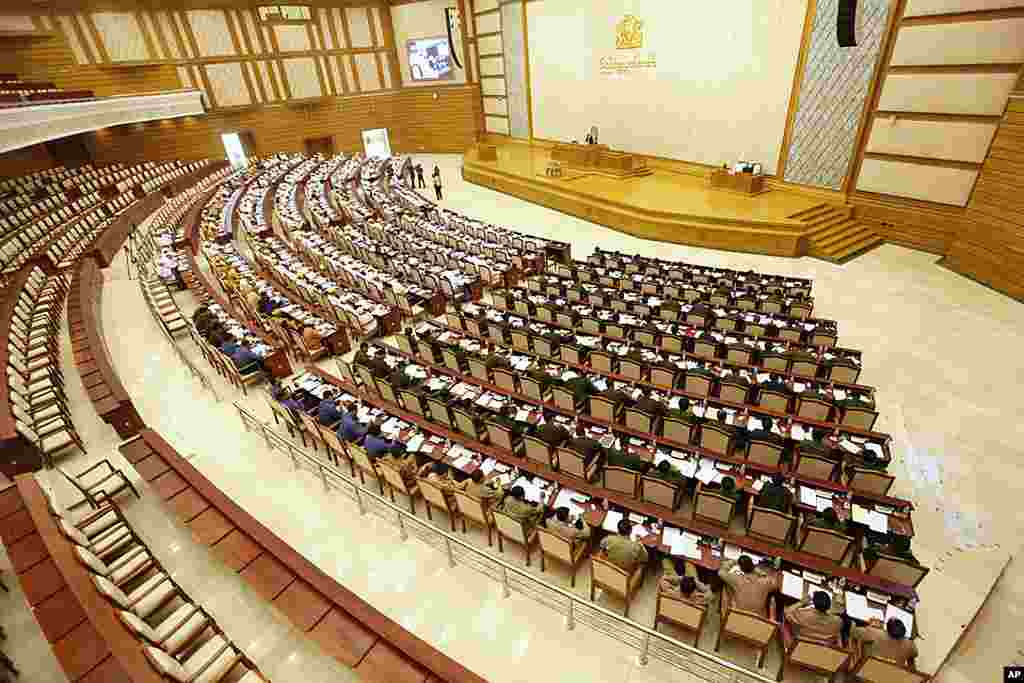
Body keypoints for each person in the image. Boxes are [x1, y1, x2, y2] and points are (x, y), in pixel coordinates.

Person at [851, 617, 918, 667]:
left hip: (868, 669)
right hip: (888, 676)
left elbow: (853, 632)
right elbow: (913, 656)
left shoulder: (873, 632)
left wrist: (871, 626)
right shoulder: (910, 645)